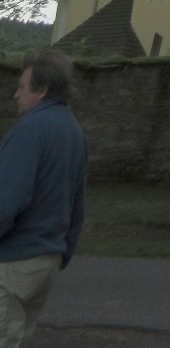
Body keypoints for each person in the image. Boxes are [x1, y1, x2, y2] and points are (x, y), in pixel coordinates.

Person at [0, 50, 88, 347]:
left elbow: (7, 201)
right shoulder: (73, 131)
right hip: (46, 261)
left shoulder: (29, 130)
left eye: (23, 86)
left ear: (43, 89)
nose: (16, 94)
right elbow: (77, 204)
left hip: (14, 261)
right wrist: (62, 252)